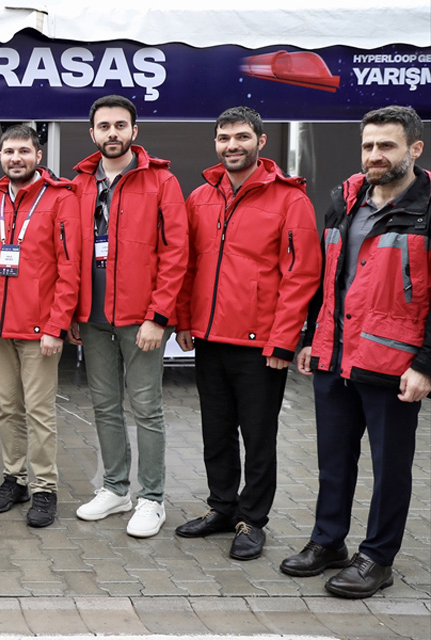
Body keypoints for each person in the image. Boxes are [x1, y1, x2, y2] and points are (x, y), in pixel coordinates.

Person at [282, 105, 429, 598]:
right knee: (333, 459)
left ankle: (377, 558)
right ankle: (329, 542)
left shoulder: (427, 209)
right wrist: (309, 337)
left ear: (414, 148)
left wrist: (425, 365)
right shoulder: (343, 201)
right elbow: (327, 281)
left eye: (386, 145)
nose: (375, 155)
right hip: (335, 353)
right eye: (368, 146)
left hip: (393, 362)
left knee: (390, 467)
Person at [174, 106, 322, 561]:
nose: (231, 145)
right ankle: (222, 507)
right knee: (215, 431)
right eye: (223, 138)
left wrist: (284, 340)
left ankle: (251, 519)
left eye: (241, 137)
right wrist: (183, 320)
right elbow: (188, 263)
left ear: (260, 141)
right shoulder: (200, 196)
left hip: (261, 346)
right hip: (209, 338)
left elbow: (302, 274)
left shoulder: (290, 200)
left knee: (258, 437)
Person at [69, 95, 188, 539]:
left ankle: (152, 498)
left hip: (141, 319)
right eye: (104, 126)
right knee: (103, 405)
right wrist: (75, 312)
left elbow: (177, 252)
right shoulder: (80, 184)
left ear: (134, 132)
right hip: (93, 317)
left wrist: (159, 316)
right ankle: (116, 489)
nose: (112, 133)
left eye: (121, 125)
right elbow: (69, 253)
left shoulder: (162, 182)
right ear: (93, 133)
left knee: (146, 408)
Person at [0, 124, 80, 529]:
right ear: (0, 157)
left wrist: (56, 325)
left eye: (24, 151)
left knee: (39, 412)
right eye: (9, 152)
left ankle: (45, 487)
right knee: (8, 409)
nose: (16, 158)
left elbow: (69, 268)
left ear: (38, 156)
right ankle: (15, 479)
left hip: (38, 330)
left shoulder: (61, 200)